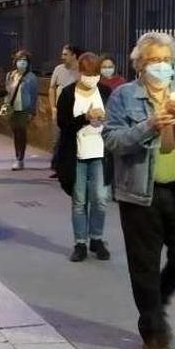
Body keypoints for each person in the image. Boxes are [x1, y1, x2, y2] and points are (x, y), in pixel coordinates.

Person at [104, 32, 175, 349]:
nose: (162, 66)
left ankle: (157, 301)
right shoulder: (124, 96)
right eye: (154, 60)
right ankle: (153, 331)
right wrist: (149, 125)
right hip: (140, 193)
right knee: (145, 266)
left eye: (167, 60)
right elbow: (113, 141)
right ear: (140, 65)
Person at [55, 52, 113, 262]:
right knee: (79, 201)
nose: (92, 78)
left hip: (100, 153)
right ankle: (80, 243)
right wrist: (84, 118)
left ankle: (96, 239)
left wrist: (105, 118)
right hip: (77, 154)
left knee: (100, 199)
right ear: (80, 73)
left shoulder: (105, 92)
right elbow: (63, 124)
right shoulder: (69, 93)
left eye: (95, 74)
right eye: (88, 74)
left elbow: (115, 120)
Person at [49, 44, 84, 177]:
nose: (62, 57)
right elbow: (51, 88)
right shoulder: (58, 69)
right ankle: (58, 166)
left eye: (65, 54)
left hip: (76, 110)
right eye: (62, 54)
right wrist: (53, 107)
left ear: (74, 55)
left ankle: (65, 166)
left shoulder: (81, 70)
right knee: (58, 137)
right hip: (60, 110)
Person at [4, 50, 39, 171]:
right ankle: (17, 156)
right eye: (20, 60)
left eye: (24, 60)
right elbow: (7, 92)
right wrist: (5, 106)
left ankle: (20, 158)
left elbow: (34, 96)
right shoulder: (10, 75)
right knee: (15, 132)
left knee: (21, 132)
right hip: (13, 108)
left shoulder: (31, 77)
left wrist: (32, 111)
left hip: (24, 108)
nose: (22, 63)